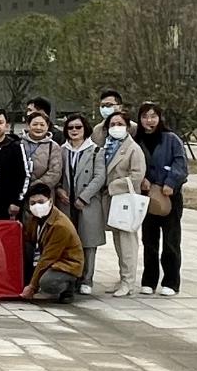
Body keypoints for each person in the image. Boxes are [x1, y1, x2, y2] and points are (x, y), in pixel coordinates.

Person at [135, 103, 188, 297]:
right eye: (145, 117)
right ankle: (149, 280)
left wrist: (171, 182)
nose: (149, 120)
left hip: (169, 196)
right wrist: (141, 179)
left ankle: (171, 281)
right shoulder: (136, 140)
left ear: (159, 118)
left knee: (171, 240)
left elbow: (180, 163)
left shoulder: (171, 139)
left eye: (153, 116)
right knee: (149, 240)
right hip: (147, 196)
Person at [100, 110, 147, 297]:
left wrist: (113, 185)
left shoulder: (133, 148)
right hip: (112, 200)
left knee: (128, 242)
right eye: (112, 124)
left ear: (127, 127)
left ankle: (129, 281)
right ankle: (122, 277)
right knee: (118, 241)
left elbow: (137, 175)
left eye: (120, 124)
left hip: (124, 199)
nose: (116, 128)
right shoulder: (107, 145)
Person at [20, 182, 83, 303]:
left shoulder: (60, 225)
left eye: (41, 202)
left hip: (67, 264)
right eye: (33, 203)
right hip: (49, 258)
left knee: (47, 283)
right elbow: (28, 239)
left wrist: (32, 287)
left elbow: (48, 258)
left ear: (50, 200)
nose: (37, 206)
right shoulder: (35, 219)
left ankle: (68, 286)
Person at [63, 114, 105, 295]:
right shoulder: (62, 150)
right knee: (68, 240)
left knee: (88, 242)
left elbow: (99, 177)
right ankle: (71, 277)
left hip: (87, 203)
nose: (74, 131)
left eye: (78, 127)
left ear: (85, 129)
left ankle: (87, 278)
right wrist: (58, 190)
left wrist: (84, 197)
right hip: (66, 202)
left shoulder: (96, 151)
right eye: (70, 127)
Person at [21, 112, 66, 208]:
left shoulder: (53, 146)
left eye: (42, 125)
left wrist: (34, 187)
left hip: (44, 193)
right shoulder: (18, 144)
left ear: (47, 126)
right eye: (35, 124)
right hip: (20, 193)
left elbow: (55, 172)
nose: (38, 127)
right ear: (28, 125)